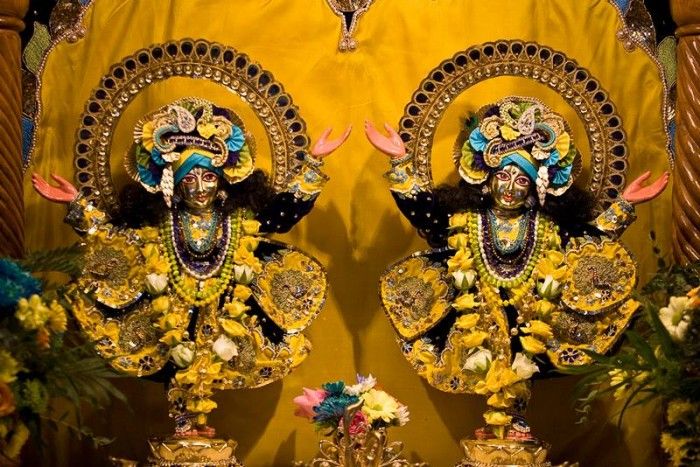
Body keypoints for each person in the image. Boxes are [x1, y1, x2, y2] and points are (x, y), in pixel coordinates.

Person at [32, 97, 348, 436]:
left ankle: (201, 420)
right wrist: (78, 205)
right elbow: (118, 239)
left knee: (219, 358)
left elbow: (282, 213)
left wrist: (314, 161)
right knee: (174, 358)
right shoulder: (160, 224)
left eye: (208, 177)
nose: (199, 188)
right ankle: (184, 423)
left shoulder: (238, 220)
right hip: (169, 307)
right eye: (189, 179)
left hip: (228, 304)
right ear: (174, 184)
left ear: (223, 180)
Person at [366, 96, 668, 440]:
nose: (510, 188)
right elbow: (425, 212)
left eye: (522, 180)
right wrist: (399, 160)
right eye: (504, 176)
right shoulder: (466, 221)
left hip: (532, 310)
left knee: (525, 359)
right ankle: (495, 419)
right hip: (475, 307)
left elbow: (587, 241)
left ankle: (514, 418)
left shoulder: (547, 228)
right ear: (487, 179)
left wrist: (625, 204)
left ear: (536, 189)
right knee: (482, 357)